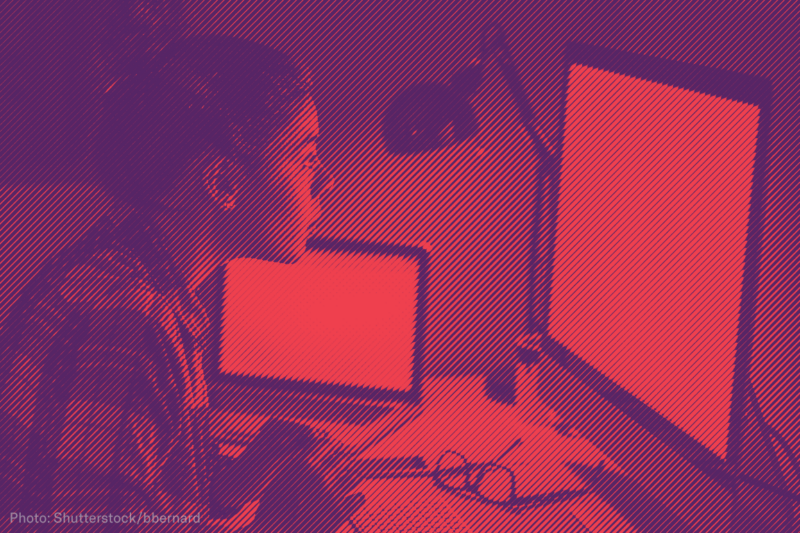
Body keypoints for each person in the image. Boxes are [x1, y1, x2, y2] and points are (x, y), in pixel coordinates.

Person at [0, 35, 360, 531]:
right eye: (305, 158)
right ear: (224, 184)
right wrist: (285, 526)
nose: (326, 181)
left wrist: (227, 485)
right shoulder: (130, 327)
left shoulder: (121, 268)